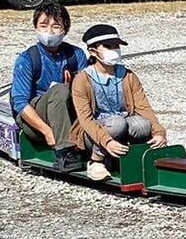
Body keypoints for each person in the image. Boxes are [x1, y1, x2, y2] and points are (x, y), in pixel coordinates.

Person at [70, 24, 167, 181]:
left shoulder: (128, 76)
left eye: (116, 46)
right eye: (108, 46)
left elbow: (143, 108)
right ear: (92, 51)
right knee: (116, 122)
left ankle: (134, 160)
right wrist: (106, 141)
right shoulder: (82, 79)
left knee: (141, 124)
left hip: (122, 128)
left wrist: (158, 132)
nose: (114, 50)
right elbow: (85, 119)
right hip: (94, 135)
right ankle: (96, 161)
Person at [10, 2, 89, 173]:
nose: (49, 32)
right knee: (60, 90)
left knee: (71, 90)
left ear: (65, 30)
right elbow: (20, 102)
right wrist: (47, 132)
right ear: (35, 28)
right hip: (35, 119)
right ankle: (64, 153)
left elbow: (88, 91)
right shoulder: (27, 59)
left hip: (67, 113)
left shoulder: (77, 55)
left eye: (56, 26)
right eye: (43, 26)